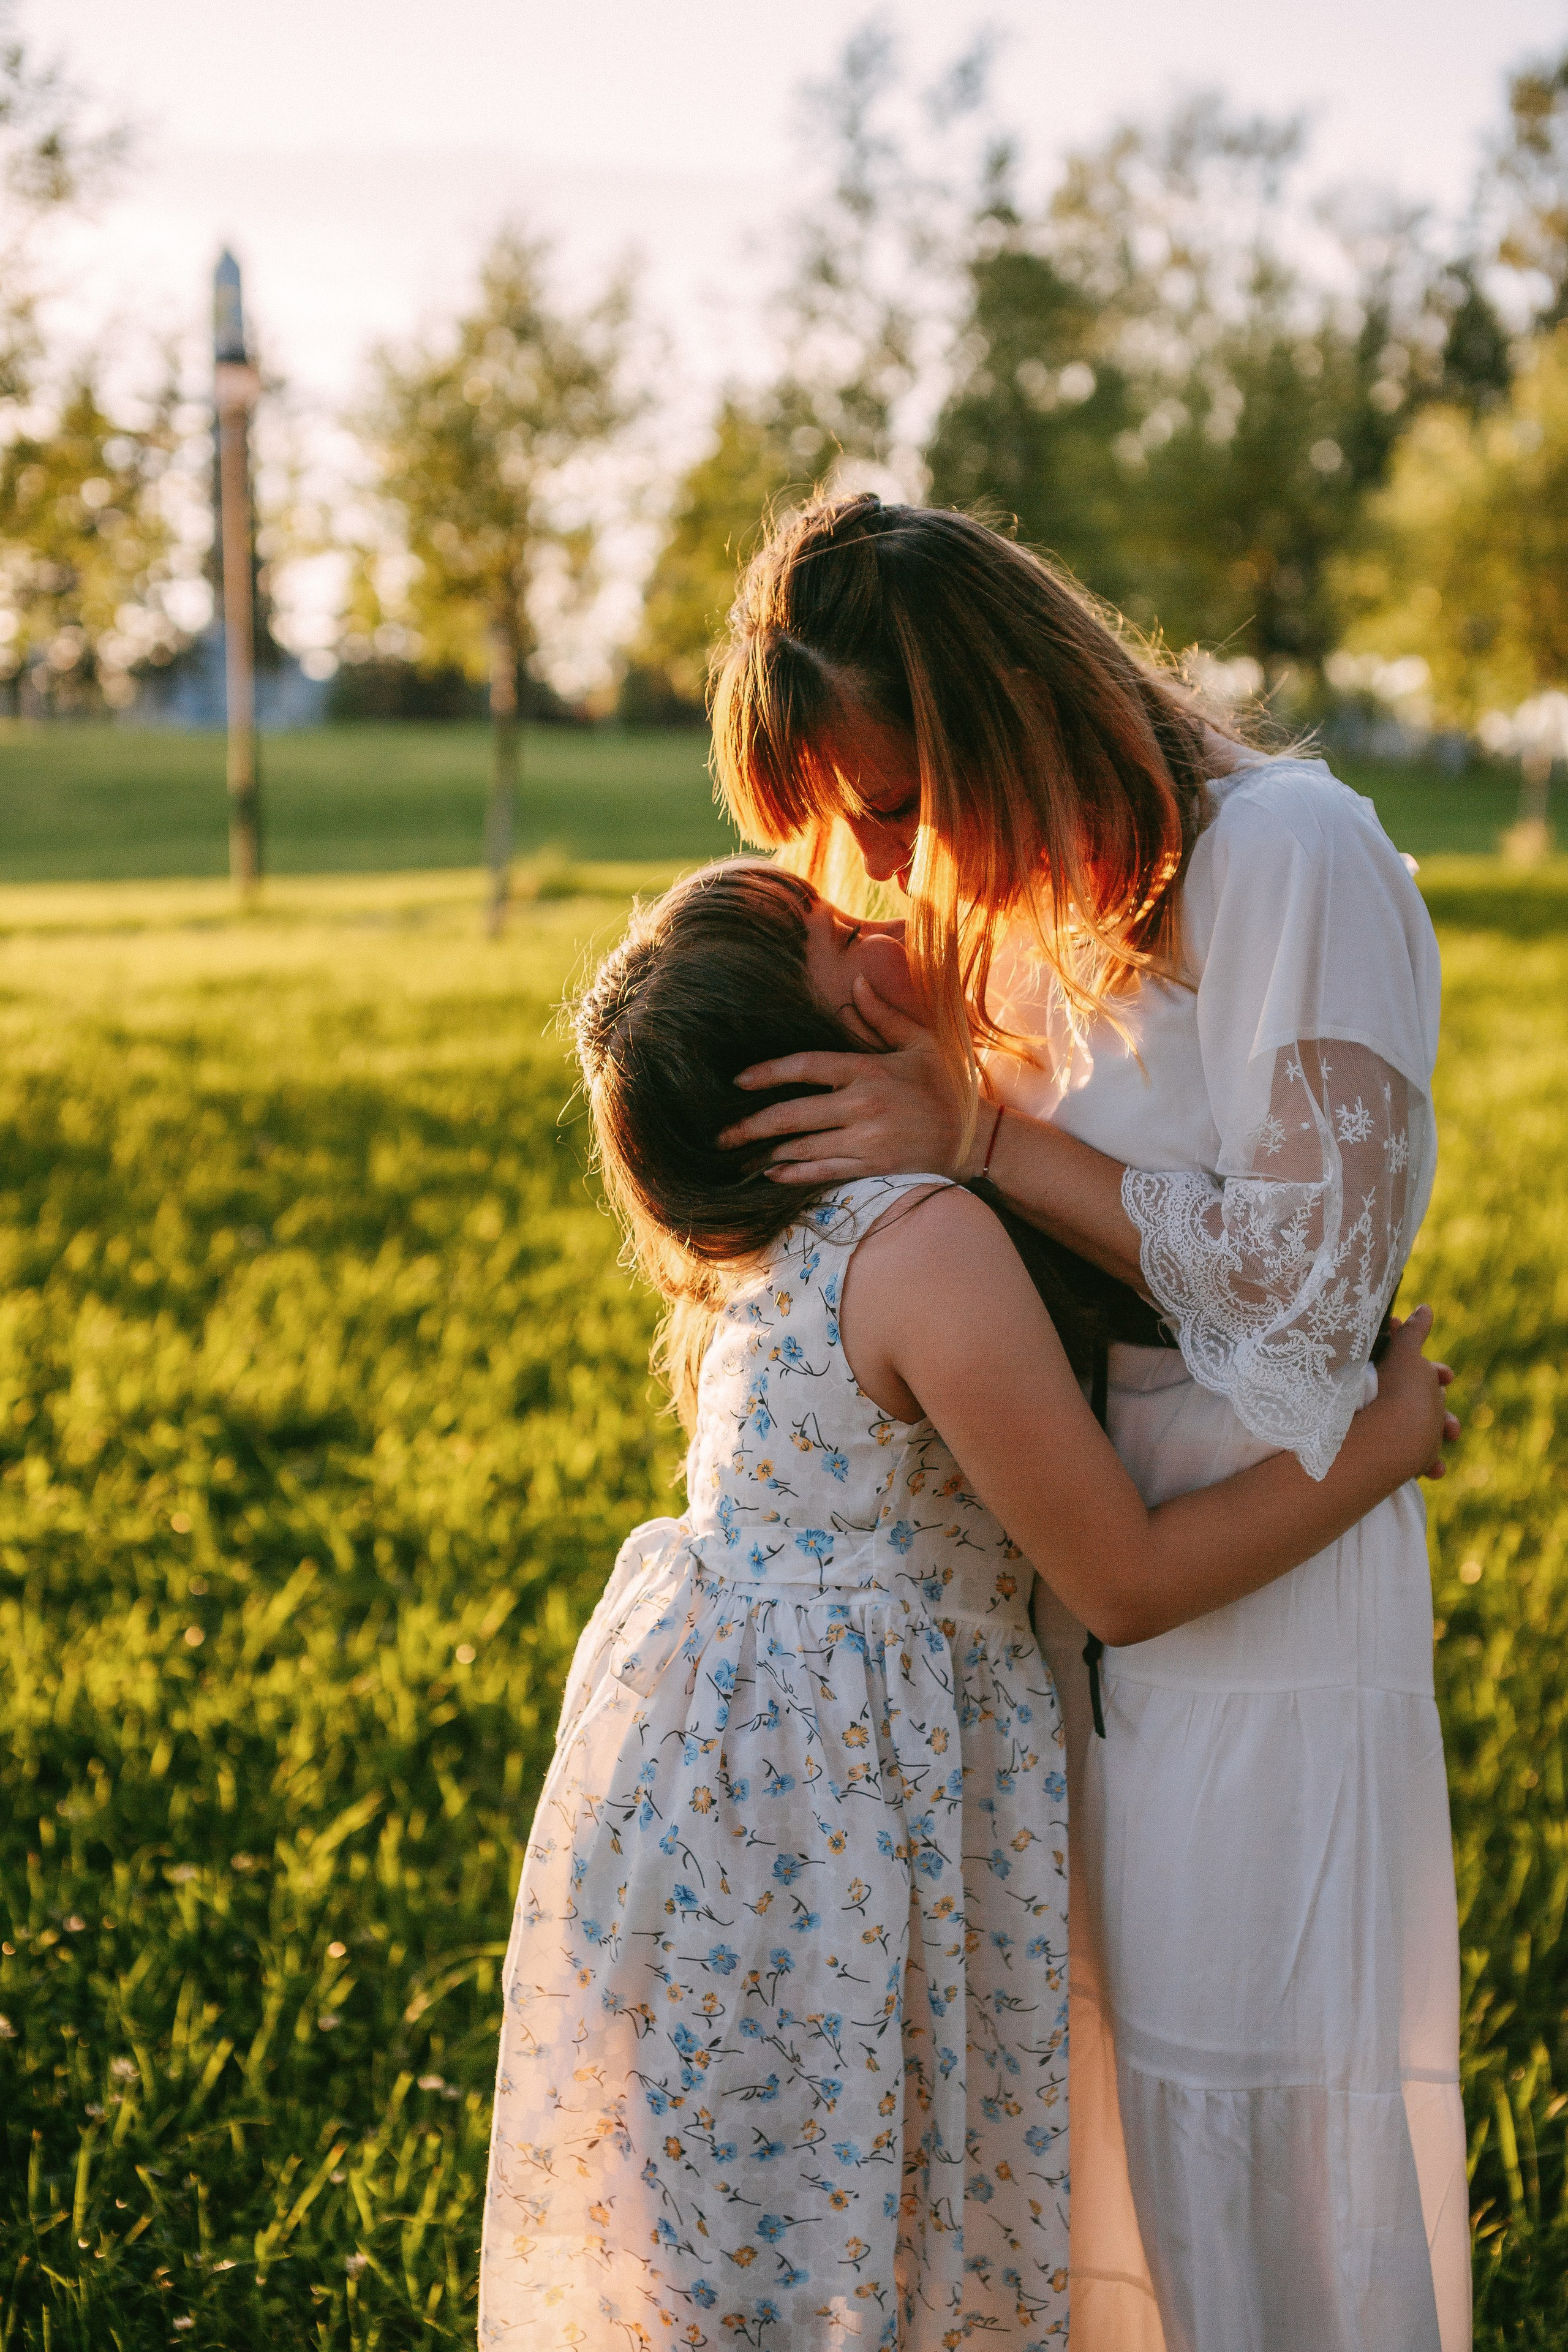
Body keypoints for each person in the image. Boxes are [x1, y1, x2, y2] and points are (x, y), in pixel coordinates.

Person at [478, 859, 1457, 2352]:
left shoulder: (778, 1249)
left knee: (761, 2224)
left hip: (733, 1813)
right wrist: (1375, 1445)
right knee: (868, 2221)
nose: (890, 910)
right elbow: (1120, 1581)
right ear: (812, 1063)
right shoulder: (920, 1241)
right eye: (840, 935)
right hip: (834, 1824)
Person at [710, 496, 1469, 2352]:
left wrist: (982, 1139)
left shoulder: (1290, 853)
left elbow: (1306, 1318)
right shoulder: (1021, 929)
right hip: (1055, 1625)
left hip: (1265, 1617)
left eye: (890, 802)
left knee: (1258, 2136)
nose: (873, 860)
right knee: (1091, 2153)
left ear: (1000, 716)